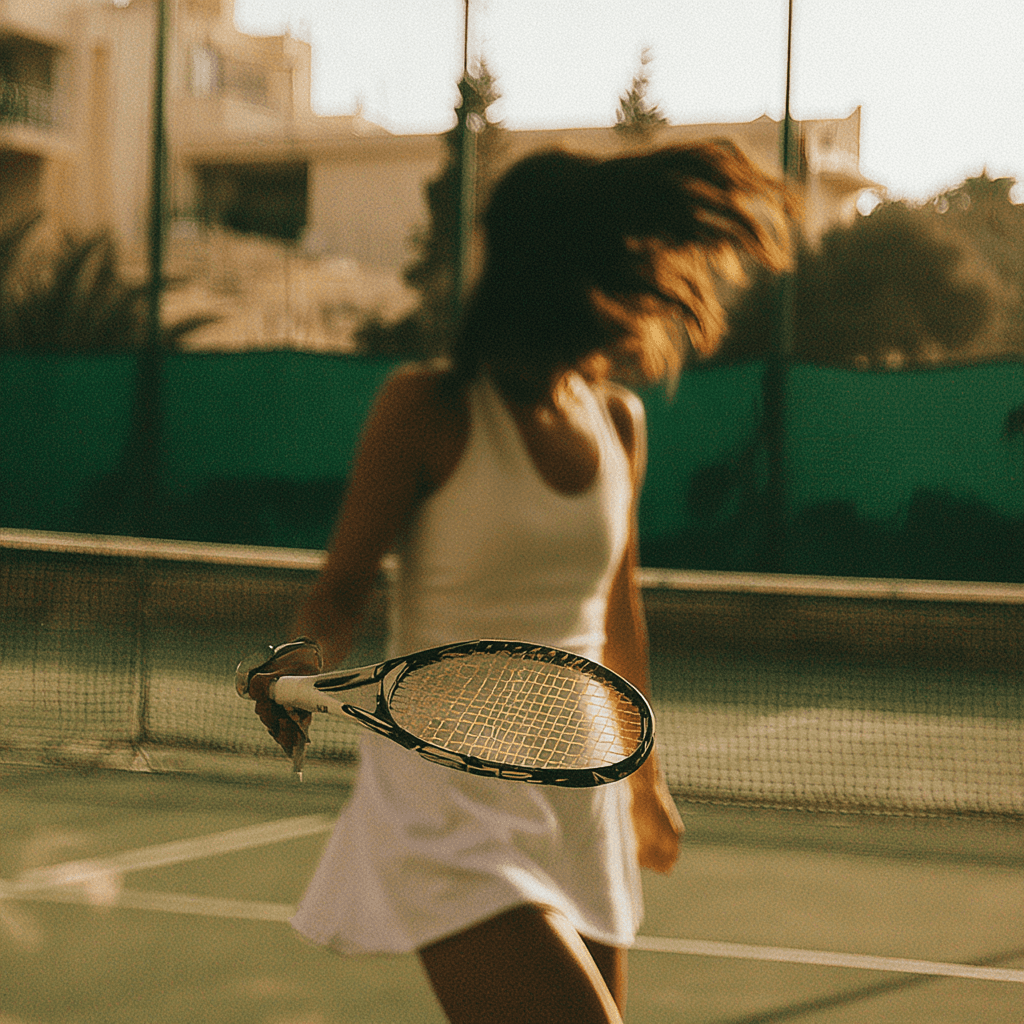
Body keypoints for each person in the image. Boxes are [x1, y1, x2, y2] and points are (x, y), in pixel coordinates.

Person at [249, 140, 792, 1024]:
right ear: (564, 272)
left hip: (585, 789)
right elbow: (340, 590)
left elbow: (618, 616)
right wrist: (301, 657)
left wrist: (645, 785)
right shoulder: (425, 407)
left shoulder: (617, 418)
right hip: (446, 794)